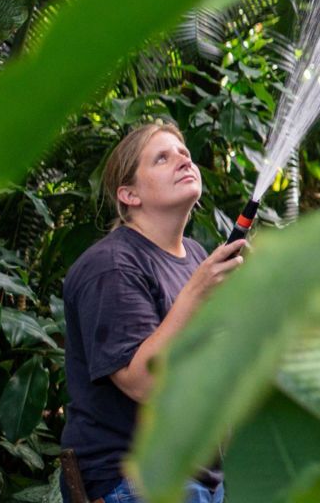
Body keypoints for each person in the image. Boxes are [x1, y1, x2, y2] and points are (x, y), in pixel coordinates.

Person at [60, 123, 247, 503]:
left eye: (184, 153)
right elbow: (144, 382)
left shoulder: (195, 255)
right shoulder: (111, 265)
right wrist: (197, 293)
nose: (183, 159)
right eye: (162, 157)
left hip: (205, 477)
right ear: (129, 194)